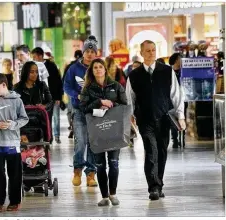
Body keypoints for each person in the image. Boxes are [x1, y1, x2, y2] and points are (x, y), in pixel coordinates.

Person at [126, 40, 186, 200]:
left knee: (162, 151)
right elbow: (129, 99)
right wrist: (129, 119)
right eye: (147, 51)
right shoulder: (134, 75)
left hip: (164, 118)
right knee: (151, 151)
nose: (151, 53)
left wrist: (181, 116)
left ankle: (159, 183)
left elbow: (176, 95)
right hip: (144, 119)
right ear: (141, 52)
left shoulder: (167, 71)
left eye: (153, 50)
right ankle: (153, 187)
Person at [80, 58, 127, 206]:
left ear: (105, 69)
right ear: (92, 71)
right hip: (97, 131)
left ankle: (113, 194)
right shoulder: (87, 89)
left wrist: (111, 105)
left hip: (114, 130)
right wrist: (99, 102)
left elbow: (125, 105)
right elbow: (83, 109)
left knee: (114, 163)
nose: (98, 70)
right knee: (100, 165)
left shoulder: (116, 86)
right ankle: (104, 196)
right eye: (95, 68)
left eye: (100, 67)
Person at [0, 73, 29, 212]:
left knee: (14, 174)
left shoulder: (17, 101)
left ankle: (15, 201)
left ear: (4, 85)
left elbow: (24, 119)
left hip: (13, 143)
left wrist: (13, 124)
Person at [64, 35, 99, 187]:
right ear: (83, 52)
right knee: (81, 142)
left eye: (93, 51)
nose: (90, 53)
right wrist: (76, 95)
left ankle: (91, 174)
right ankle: (77, 171)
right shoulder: (74, 68)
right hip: (78, 110)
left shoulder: (98, 67)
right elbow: (66, 86)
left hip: (96, 112)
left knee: (93, 143)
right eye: (87, 51)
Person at [31, 47, 63, 144]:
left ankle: (53, 136)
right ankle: (47, 137)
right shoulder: (33, 67)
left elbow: (58, 81)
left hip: (52, 96)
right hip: (41, 98)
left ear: (40, 56)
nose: (33, 59)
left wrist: (58, 97)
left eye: (34, 57)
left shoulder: (51, 65)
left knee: (53, 117)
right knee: (44, 117)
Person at [169, 52, 187, 148]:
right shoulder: (169, 72)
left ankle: (182, 138)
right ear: (176, 60)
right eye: (181, 59)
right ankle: (175, 139)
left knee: (183, 117)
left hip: (184, 99)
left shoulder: (184, 72)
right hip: (172, 100)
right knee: (173, 119)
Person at [64, 50, 83, 139]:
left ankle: (73, 127)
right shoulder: (85, 66)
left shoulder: (70, 66)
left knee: (70, 111)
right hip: (80, 92)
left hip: (72, 92)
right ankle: (75, 127)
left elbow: (64, 80)